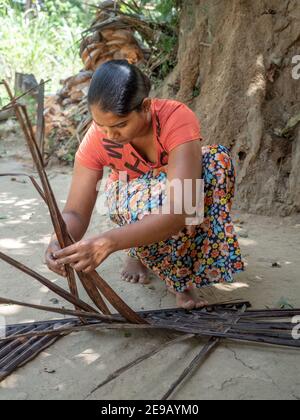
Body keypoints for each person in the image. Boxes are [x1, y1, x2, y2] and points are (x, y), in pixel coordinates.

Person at [45, 59, 244, 310]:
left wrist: (108, 242)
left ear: (146, 106)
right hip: (127, 200)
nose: (110, 136)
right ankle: (140, 251)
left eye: (120, 125)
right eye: (101, 125)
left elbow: (180, 209)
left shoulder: (175, 118)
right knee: (152, 197)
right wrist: (58, 241)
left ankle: (178, 276)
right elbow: (74, 211)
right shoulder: (97, 138)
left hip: (172, 203)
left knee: (214, 162)